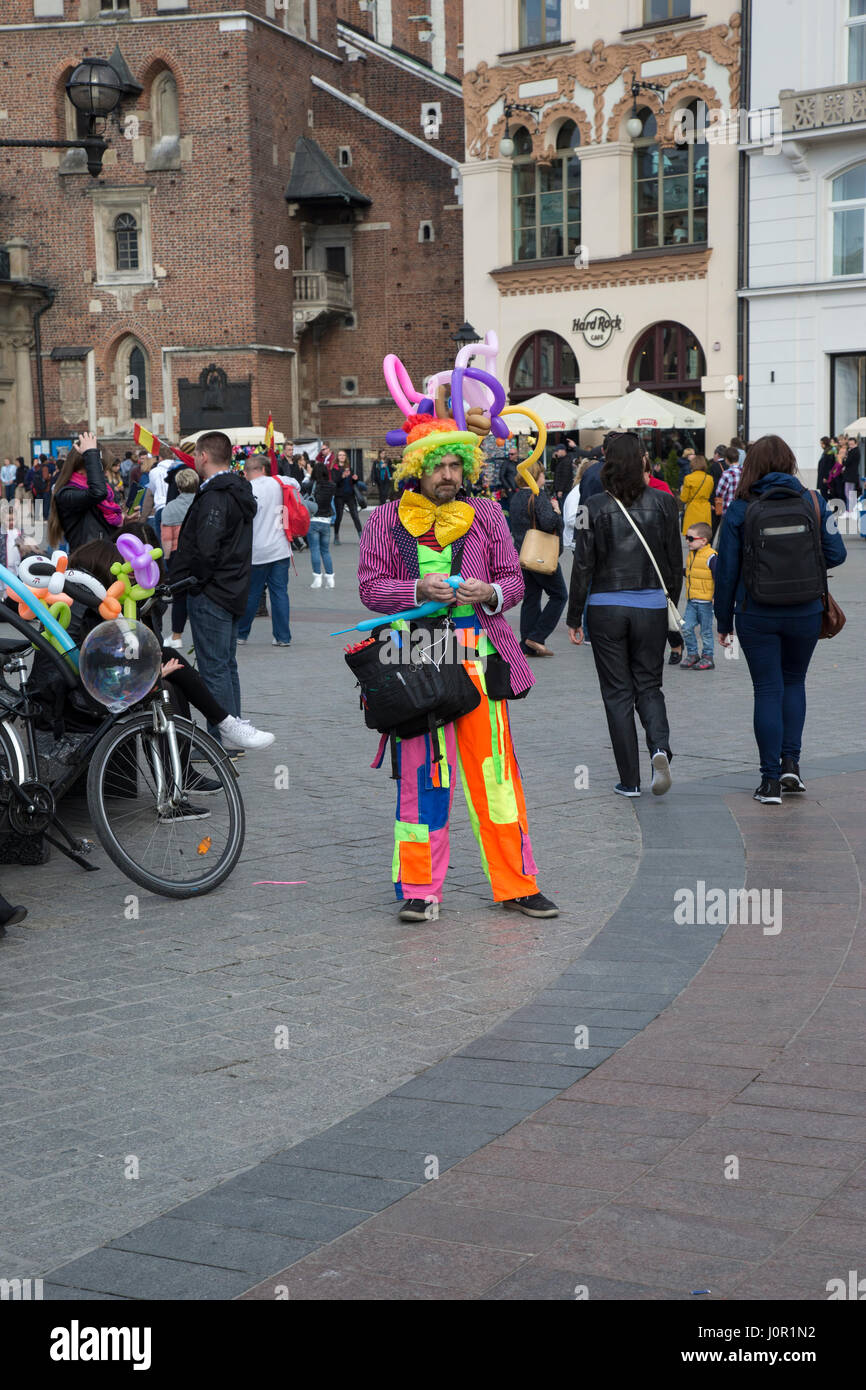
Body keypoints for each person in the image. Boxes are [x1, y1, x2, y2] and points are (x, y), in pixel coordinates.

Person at [358, 414, 558, 923]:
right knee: (422, 778)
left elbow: (514, 581)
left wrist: (490, 593)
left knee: (496, 778)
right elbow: (370, 589)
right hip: (416, 658)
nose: (448, 475)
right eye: (437, 466)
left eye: (454, 465)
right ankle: (420, 889)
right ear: (416, 469)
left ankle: (516, 884)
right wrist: (415, 591)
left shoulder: (488, 515)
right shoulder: (383, 521)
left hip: (479, 658)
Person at [714, 434, 847, 804]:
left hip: (756, 612)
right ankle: (792, 765)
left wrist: (722, 621)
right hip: (805, 610)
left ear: (751, 465)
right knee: (794, 682)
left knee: (767, 689)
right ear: (789, 462)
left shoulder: (739, 508)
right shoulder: (815, 501)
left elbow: (726, 571)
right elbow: (837, 554)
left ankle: (769, 782)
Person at [566, 432, 681, 798]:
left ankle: (629, 780)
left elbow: (583, 564)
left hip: (606, 607)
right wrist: (670, 605)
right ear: (644, 460)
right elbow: (674, 564)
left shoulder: (592, 506)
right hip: (650, 605)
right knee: (649, 685)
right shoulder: (664, 503)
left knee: (617, 693)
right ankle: (659, 748)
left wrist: (574, 615)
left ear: (606, 460)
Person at [170, 430, 257, 742]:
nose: (194, 459)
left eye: (196, 454)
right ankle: (236, 732)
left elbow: (207, 548)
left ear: (204, 456)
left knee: (214, 670)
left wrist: (195, 582)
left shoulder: (216, 496)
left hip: (213, 593)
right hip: (232, 589)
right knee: (225, 665)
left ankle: (220, 741)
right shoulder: (235, 490)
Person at [508, 459, 567, 657]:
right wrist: (557, 513)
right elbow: (549, 522)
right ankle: (537, 636)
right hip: (540, 554)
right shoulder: (538, 495)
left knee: (531, 598)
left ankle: (525, 644)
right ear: (536, 476)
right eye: (542, 474)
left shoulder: (516, 497)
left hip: (522, 553)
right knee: (559, 595)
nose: (544, 478)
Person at [237, 453, 292, 648]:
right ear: (264, 468)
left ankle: (242, 634)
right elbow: (296, 484)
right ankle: (283, 637)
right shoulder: (279, 482)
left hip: (257, 550)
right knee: (280, 594)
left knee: (252, 594)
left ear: (252, 470)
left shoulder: (247, 488)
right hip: (281, 548)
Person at [48, 433, 123, 551]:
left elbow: (102, 528)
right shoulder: (66, 494)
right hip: (86, 562)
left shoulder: (95, 496)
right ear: (86, 466)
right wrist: (91, 454)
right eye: (101, 468)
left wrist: (125, 520)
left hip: (102, 559)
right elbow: (98, 492)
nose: (103, 474)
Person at [160, 467, 199, 650]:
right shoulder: (202, 503)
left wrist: (166, 560)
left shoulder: (171, 508)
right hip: (199, 554)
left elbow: (167, 541)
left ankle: (177, 636)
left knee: (179, 597)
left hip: (178, 555)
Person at [680, 521, 717, 670]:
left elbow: (719, 578)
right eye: (686, 538)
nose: (687, 541)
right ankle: (693, 654)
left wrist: (717, 597)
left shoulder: (711, 556)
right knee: (686, 628)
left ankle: (708, 657)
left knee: (706, 631)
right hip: (692, 600)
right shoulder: (692, 554)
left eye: (690, 538)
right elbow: (691, 573)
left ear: (703, 541)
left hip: (706, 602)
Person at [308, 461, 336, 588]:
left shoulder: (311, 485)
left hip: (313, 520)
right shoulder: (332, 485)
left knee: (315, 549)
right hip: (326, 521)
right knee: (325, 551)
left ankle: (317, 579)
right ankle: (330, 579)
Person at [333, 451, 363, 544]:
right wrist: (342, 476)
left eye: (343, 455)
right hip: (339, 496)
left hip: (350, 495)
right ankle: (336, 537)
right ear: (337, 457)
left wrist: (355, 479)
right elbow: (334, 481)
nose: (342, 457)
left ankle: (361, 536)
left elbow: (353, 482)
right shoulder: (335, 468)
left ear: (346, 457)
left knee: (355, 516)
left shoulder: (349, 467)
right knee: (339, 517)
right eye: (340, 455)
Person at [680, 454, 714, 536]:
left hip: (692, 509)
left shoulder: (688, 478)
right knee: (703, 535)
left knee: (692, 537)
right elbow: (709, 493)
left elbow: (684, 499)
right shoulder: (709, 478)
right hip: (705, 509)